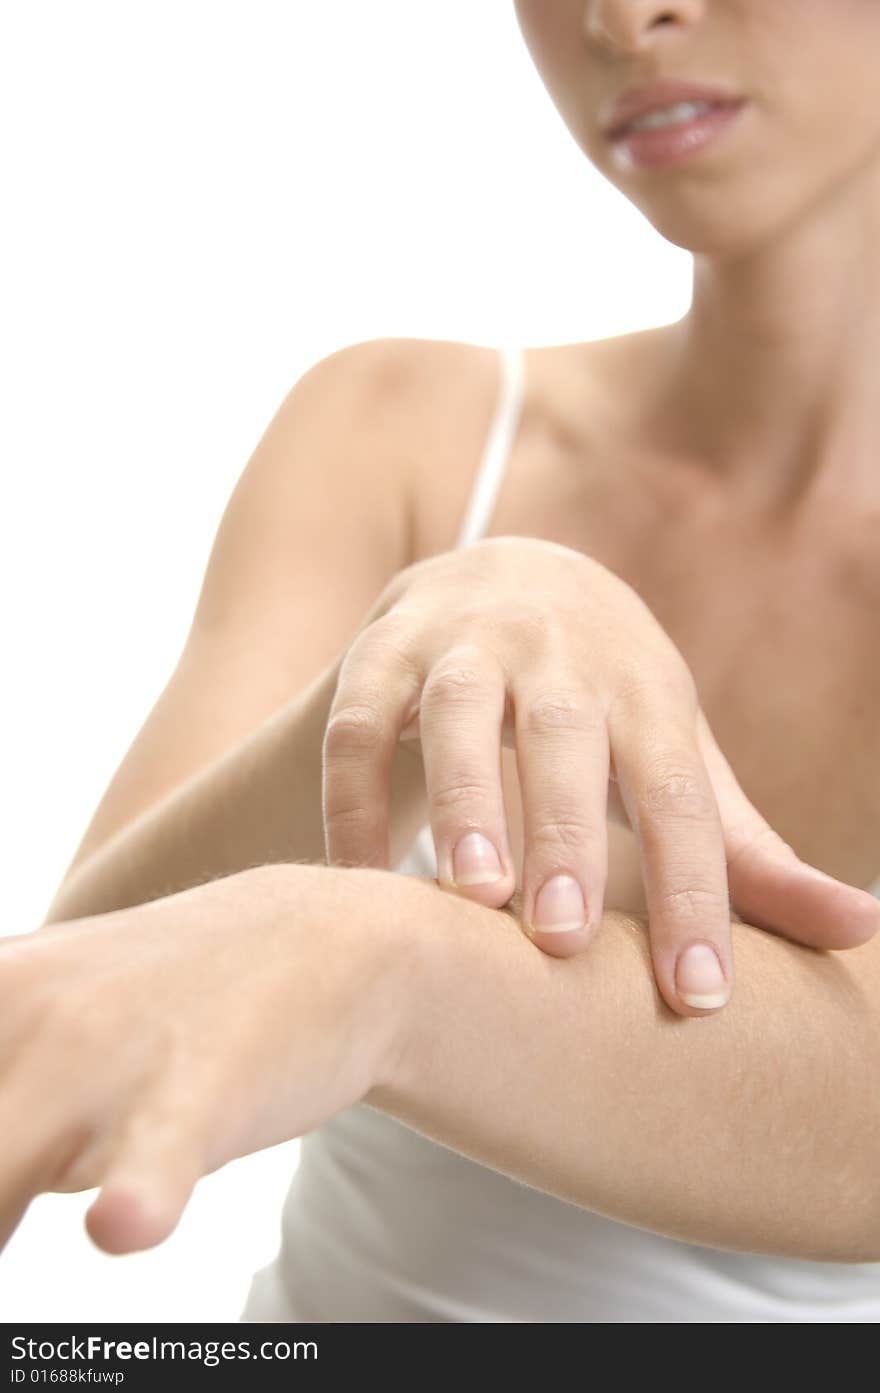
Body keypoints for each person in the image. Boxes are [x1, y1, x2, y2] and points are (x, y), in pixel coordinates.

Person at [8, 0, 880, 1321]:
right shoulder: (400, 433)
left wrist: (384, 966)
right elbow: (92, 996)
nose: (620, 18)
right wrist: (423, 664)